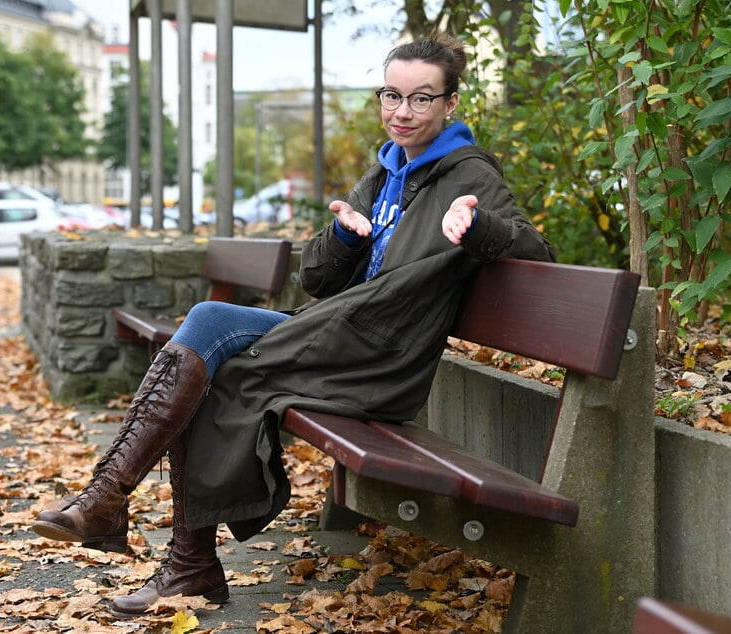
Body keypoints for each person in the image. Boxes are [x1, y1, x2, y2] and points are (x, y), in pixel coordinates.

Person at [31, 34, 556, 617]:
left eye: (421, 99)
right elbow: (316, 280)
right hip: (340, 330)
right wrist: (343, 236)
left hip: (379, 357)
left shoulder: (468, 173)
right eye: (391, 95)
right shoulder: (384, 174)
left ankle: (144, 530)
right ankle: (142, 527)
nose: (402, 112)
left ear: (451, 105)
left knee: (213, 367)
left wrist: (477, 226)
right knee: (207, 329)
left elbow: (537, 252)